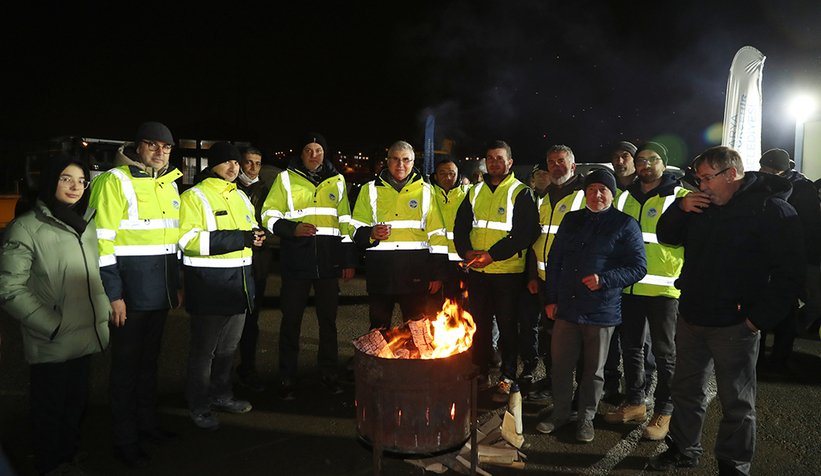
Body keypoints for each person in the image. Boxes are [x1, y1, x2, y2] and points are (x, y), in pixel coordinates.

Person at [650, 146, 804, 474]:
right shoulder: (699, 205)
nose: (701, 185)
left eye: (707, 178)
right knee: (685, 391)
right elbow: (667, 236)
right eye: (698, 179)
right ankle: (683, 449)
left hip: (736, 324)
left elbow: (790, 273)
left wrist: (756, 320)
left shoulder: (771, 209)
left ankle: (733, 465)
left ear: (731, 174)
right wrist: (679, 208)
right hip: (692, 317)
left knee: (736, 402)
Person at [0, 154, 111, 476]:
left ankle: (68, 453)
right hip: (53, 338)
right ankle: (50, 464)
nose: (75, 187)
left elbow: (94, 276)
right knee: (49, 408)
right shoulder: (27, 227)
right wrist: (50, 325)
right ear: (51, 181)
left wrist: (103, 309)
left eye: (81, 181)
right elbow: (8, 287)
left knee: (75, 403)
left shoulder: (86, 225)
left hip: (85, 334)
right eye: (66, 179)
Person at [88, 121, 182, 468]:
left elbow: (172, 242)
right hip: (129, 295)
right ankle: (124, 439)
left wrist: (175, 286)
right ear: (137, 146)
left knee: (148, 365)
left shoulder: (169, 184)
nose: (160, 152)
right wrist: (114, 294)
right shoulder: (114, 181)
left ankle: (148, 425)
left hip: (159, 293)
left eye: (166, 147)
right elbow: (102, 243)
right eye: (153, 145)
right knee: (126, 370)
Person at [535, 169, 646, 443]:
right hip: (567, 309)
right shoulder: (571, 220)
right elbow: (555, 261)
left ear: (612, 194)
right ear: (585, 193)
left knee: (594, 371)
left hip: (601, 310)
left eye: (603, 190)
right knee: (561, 366)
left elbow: (638, 267)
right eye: (592, 189)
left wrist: (604, 280)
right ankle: (560, 414)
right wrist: (551, 299)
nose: (597, 194)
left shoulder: (625, 224)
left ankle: (586, 418)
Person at [261, 133, 357, 401]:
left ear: (325, 153)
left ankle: (328, 374)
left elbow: (346, 222)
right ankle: (287, 376)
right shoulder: (285, 179)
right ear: (300, 153)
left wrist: (348, 260)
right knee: (291, 321)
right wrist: (291, 229)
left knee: (328, 322)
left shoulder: (337, 181)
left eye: (318, 150)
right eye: (308, 150)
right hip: (296, 261)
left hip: (328, 263)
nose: (314, 155)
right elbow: (268, 215)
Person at [605, 142, 689, 441]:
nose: (646, 165)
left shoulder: (681, 197)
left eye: (653, 159)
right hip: (629, 287)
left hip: (665, 289)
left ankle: (665, 409)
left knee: (665, 353)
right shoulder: (624, 197)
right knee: (632, 348)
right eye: (641, 160)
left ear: (664, 164)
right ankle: (636, 403)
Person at [178, 142, 263, 430]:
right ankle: (199, 405)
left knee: (228, 350)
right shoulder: (194, 196)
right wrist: (241, 237)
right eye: (227, 161)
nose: (233, 167)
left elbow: (248, 232)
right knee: (204, 353)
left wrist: (256, 237)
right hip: (209, 287)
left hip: (238, 286)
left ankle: (221, 395)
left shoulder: (241, 197)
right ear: (212, 164)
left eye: (236, 162)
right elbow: (188, 240)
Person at [453, 140, 540, 399]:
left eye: (500, 158)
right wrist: (466, 252)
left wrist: (492, 255)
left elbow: (525, 233)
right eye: (490, 158)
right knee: (479, 325)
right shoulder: (475, 191)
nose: (494, 163)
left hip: (507, 272)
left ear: (510, 162)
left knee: (507, 326)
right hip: (478, 272)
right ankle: (481, 370)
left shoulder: (521, 192)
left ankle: (508, 376)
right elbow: (460, 227)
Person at [351, 140, 449, 330]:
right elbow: (354, 228)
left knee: (416, 329)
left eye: (406, 159)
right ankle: (378, 352)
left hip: (415, 271)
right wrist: (371, 233)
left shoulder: (426, 191)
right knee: (378, 330)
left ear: (413, 162)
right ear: (387, 161)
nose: (400, 164)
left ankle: (413, 351)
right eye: (395, 159)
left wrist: (436, 274)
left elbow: (437, 235)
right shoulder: (369, 190)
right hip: (381, 270)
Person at [527, 145, 585, 401]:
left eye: (561, 161)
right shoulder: (543, 198)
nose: (556, 166)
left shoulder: (583, 196)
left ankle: (578, 392)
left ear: (573, 165)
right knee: (550, 336)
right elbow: (536, 240)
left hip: (572, 283)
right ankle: (553, 382)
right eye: (551, 162)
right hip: (545, 281)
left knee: (576, 339)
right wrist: (532, 275)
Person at [757, 148, 821, 373]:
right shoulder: (763, 184)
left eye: (766, 168)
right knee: (762, 301)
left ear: (779, 170)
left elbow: (810, 227)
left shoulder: (802, 189)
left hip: (792, 257)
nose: (762, 172)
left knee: (787, 305)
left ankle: (780, 357)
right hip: (766, 256)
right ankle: (759, 357)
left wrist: (804, 260)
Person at [235, 146, 277, 392]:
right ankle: (219, 374)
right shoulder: (229, 187)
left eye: (258, 163)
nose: (252, 168)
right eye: (248, 162)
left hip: (258, 261)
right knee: (226, 321)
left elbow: (272, 222)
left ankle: (247, 369)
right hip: (232, 260)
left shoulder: (266, 190)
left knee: (252, 319)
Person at [428, 156, 470, 310]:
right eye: (443, 173)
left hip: (461, 262)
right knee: (433, 309)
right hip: (433, 260)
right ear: (435, 176)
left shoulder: (468, 195)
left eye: (452, 173)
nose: (448, 177)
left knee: (460, 309)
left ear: (458, 175)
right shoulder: (427, 195)